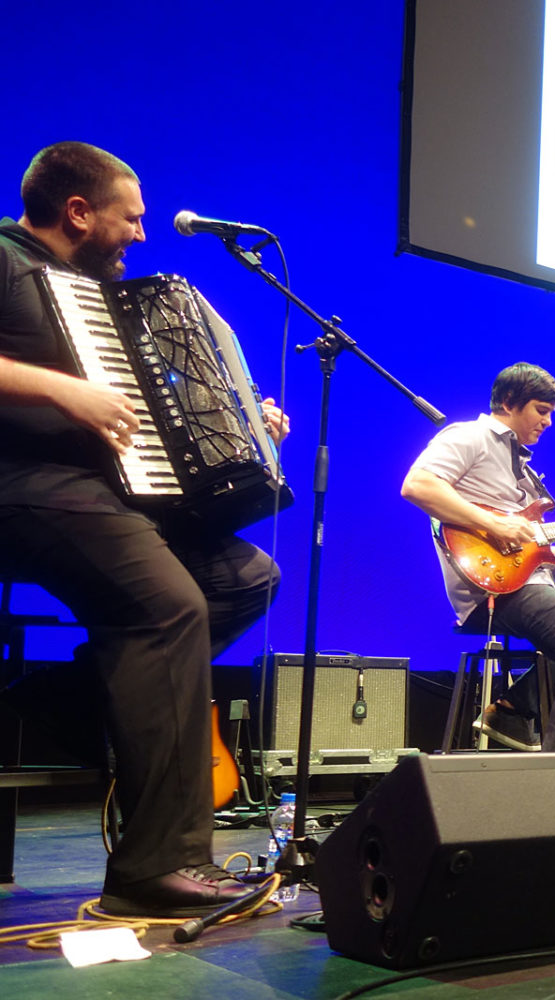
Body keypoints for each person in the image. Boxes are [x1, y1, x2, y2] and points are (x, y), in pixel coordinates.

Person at [0, 142, 286, 917]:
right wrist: (64, 392)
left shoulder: (103, 296)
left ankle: (58, 701)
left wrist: (246, 425)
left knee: (244, 576)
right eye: (132, 219)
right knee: (167, 608)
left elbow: (159, 414)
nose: (141, 236)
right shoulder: (4, 259)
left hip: (97, 490)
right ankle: (152, 870)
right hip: (21, 484)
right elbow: (71, 395)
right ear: (78, 212)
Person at [401, 362, 555, 753]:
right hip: (493, 590)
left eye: (551, 412)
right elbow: (418, 486)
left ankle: (510, 711)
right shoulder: (470, 436)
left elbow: (534, 548)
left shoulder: (519, 465)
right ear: (508, 402)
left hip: (527, 581)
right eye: (541, 409)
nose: (549, 421)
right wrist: (494, 524)